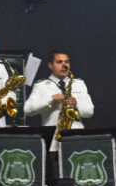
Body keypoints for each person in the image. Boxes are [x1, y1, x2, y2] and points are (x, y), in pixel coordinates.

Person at [25, 51, 94, 179]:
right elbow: (28, 110)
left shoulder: (79, 83)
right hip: (53, 144)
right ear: (50, 65)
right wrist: (51, 99)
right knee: (56, 183)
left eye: (66, 62)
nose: (64, 65)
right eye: (59, 62)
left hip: (77, 140)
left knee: (79, 180)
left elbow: (89, 112)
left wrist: (76, 104)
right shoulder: (41, 85)